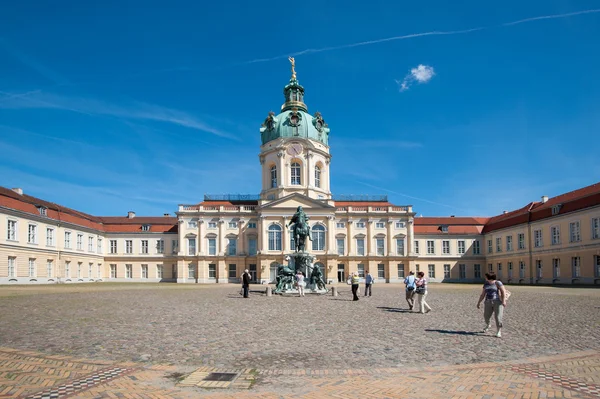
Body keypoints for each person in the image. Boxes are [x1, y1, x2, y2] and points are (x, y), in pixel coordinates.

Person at [477, 272, 507, 338]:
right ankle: (488, 324)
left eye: (486, 277)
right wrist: (479, 302)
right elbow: (483, 294)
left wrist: (504, 301)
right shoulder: (486, 283)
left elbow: (503, 292)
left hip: (498, 302)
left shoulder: (498, 283)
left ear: (489, 277)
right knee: (486, 316)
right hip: (488, 301)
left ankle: (499, 331)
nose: (485, 278)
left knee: (498, 317)